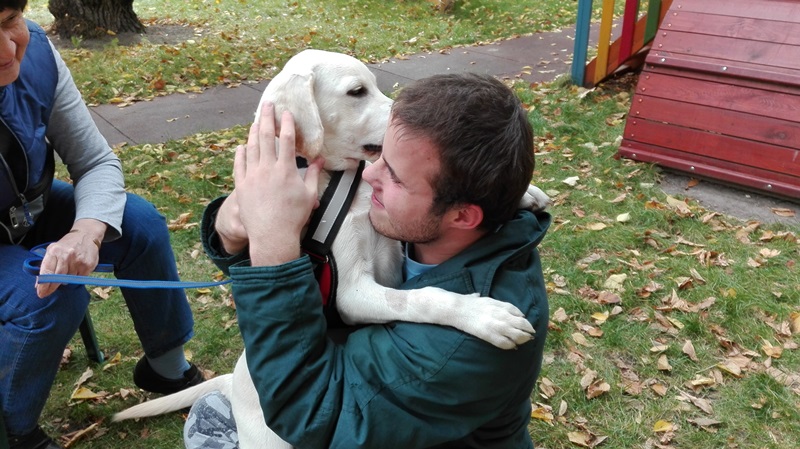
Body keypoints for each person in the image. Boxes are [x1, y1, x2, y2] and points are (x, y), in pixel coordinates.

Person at [190, 72, 551, 448]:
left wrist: (271, 239)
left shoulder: (465, 344)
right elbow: (313, 272)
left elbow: (313, 416)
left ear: (462, 214)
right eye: (377, 155)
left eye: (394, 176)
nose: (368, 175)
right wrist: (232, 231)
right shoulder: (421, 223)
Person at [0, 2, 206, 448]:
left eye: (8, 22)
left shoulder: (37, 54)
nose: (5, 49)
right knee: (44, 295)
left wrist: (85, 231)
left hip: (27, 207)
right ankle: (17, 432)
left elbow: (94, 160)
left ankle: (167, 369)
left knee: (139, 224)